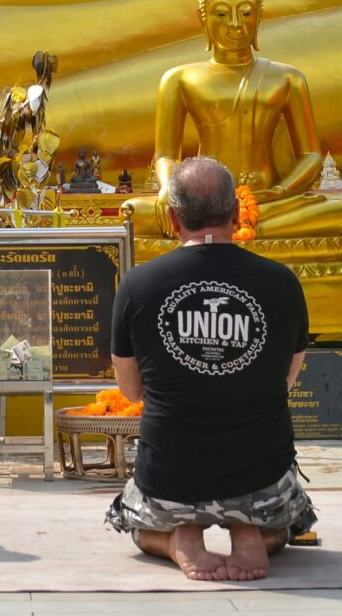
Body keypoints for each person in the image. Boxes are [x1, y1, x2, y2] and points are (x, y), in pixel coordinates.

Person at [107, 157, 314, 582]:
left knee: (136, 525)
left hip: (169, 477)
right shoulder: (282, 282)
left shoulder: (138, 284)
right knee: (286, 522)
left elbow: (131, 392)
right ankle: (251, 532)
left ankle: (176, 537)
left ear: (170, 217)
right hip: (264, 477)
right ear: (237, 214)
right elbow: (285, 382)